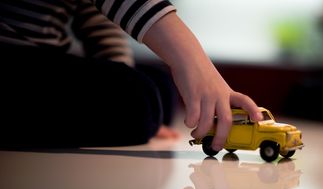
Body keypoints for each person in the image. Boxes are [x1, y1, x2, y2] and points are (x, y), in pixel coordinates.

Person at [0, 0, 263, 150]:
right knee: (140, 99)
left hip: (43, 56)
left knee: (156, 85)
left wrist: (118, 75)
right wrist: (194, 62)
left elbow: (98, 19)